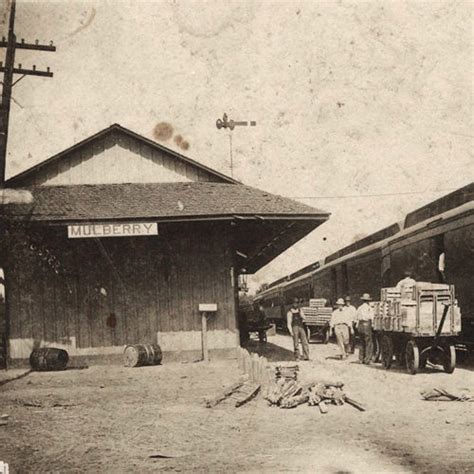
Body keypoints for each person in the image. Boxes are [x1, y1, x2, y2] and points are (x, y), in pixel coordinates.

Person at [356, 293, 374, 364]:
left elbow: (356, 317)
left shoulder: (359, 308)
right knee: (369, 343)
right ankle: (367, 359)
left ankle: (361, 359)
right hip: (367, 325)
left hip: (360, 325)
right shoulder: (369, 308)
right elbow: (371, 317)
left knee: (361, 342)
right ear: (368, 301)